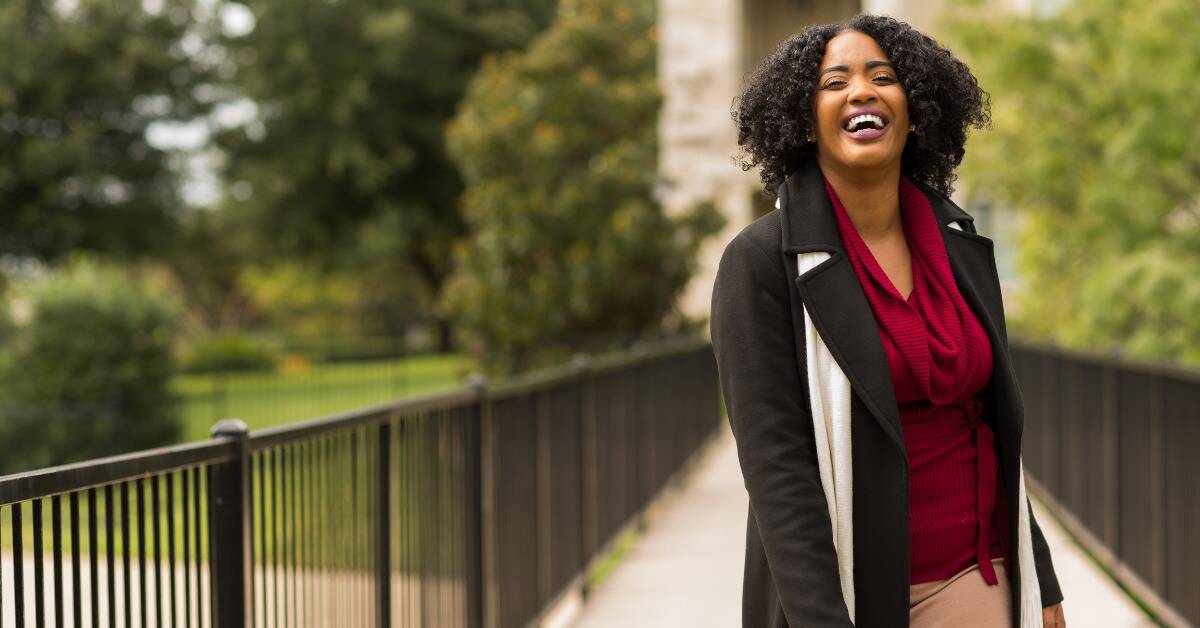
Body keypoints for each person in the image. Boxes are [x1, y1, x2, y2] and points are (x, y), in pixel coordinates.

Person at [710, 14, 1067, 628]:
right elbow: (776, 470)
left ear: (917, 107)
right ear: (803, 120)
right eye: (834, 82)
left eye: (884, 77)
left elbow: (994, 426)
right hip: (841, 592)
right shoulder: (762, 262)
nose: (862, 91)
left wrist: (1041, 575)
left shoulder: (961, 247)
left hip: (972, 574)